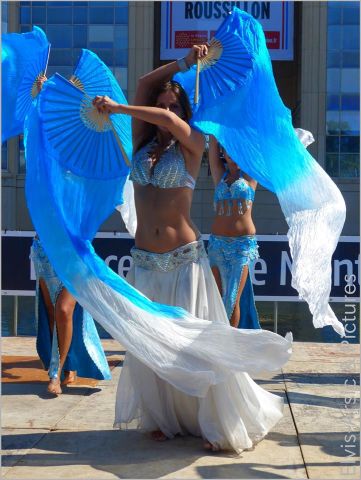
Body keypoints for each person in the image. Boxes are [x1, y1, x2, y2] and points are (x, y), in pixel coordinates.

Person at [92, 45, 288, 453]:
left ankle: (211, 419)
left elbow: (161, 114)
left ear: (184, 112)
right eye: (161, 104)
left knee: (192, 345)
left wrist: (117, 107)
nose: (164, 109)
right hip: (146, 261)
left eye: (173, 106)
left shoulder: (194, 142)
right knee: (150, 345)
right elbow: (146, 85)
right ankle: (165, 417)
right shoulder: (144, 142)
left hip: (184, 260)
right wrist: (183, 63)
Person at [30, 76, 111, 396]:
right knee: (52, 315)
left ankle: (54, 373)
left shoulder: (85, 156)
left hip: (74, 247)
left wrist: (94, 109)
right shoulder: (45, 150)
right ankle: (66, 364)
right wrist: (40, 97)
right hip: (45, 245)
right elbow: (34, 131)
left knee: (65, 310)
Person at [208, 135, 261, 329]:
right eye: (229, 148)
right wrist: (214, 124)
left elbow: (257, 148)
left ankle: (230, 347)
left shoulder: (249, 175)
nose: (233, 153)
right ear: (224, 152)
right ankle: (219, 346)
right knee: (218, 299)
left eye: (237, 149)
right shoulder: (218, 175)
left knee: (231, 300)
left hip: (242, 246)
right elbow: (212, 151)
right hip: (217, 245)